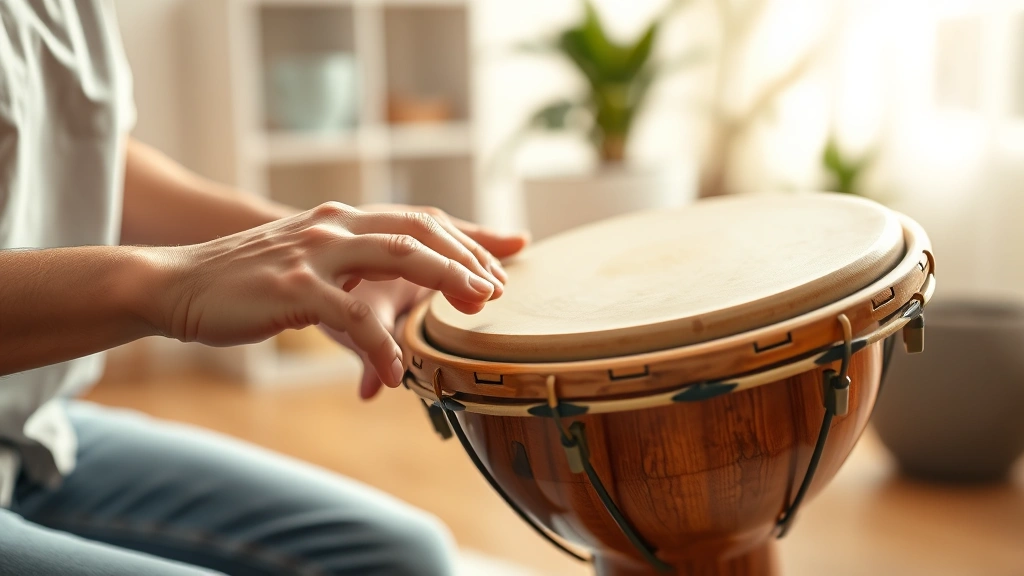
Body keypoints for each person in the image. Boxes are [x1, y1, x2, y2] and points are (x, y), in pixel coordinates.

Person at [0, 1, 528, 574]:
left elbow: (85, 158)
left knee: (407, 558)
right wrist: (172, 283)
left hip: (35, 432)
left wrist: (315, 249)